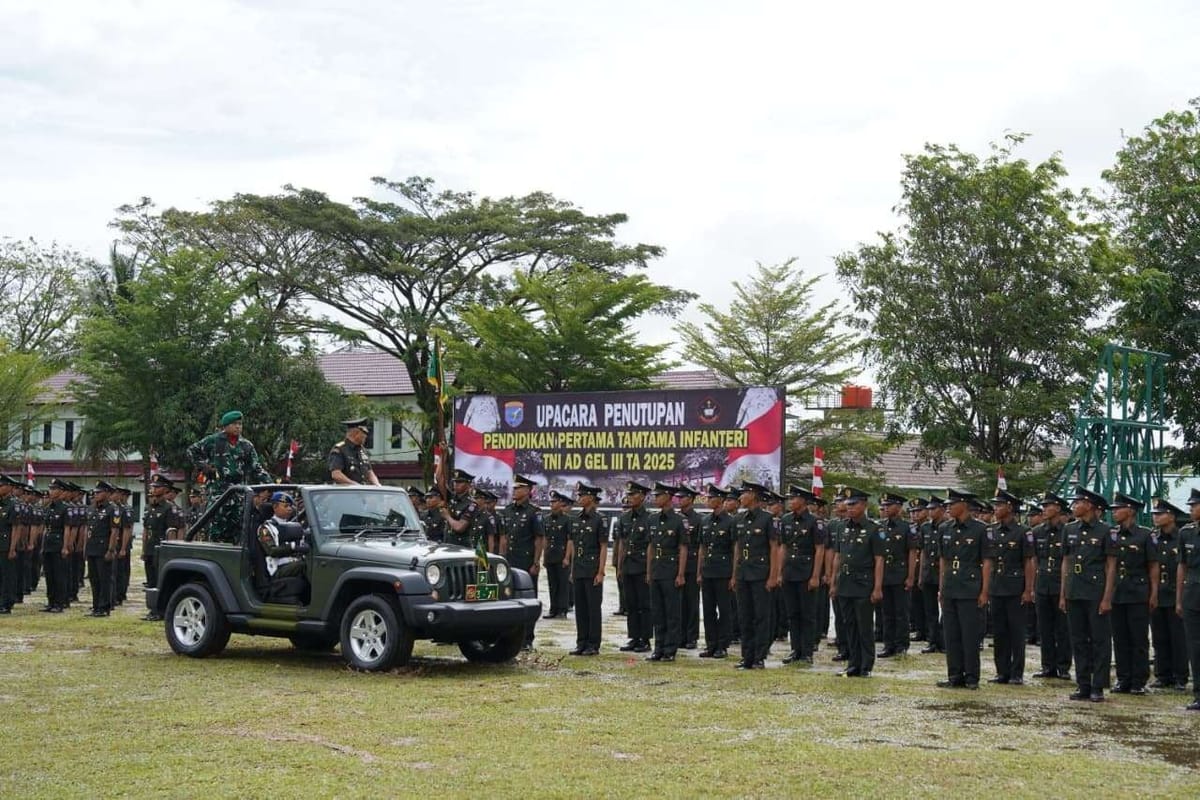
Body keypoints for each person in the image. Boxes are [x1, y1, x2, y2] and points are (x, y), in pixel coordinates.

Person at [1061, 485, 1119, 703]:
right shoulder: (1070, 529)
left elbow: (1110, 566)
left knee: (1100, 640)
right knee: (1078, 640)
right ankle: (1083, 684)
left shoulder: (1106, 531)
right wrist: (1063, 593)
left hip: (1095, 592)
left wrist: (1106, 598)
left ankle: (1098, 686)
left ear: (1090, 506)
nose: (1075, 506)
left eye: (1079, 502)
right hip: (1075, 590)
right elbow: (1065, 562)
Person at [186, 411, 272, 543]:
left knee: (240, 532)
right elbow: (192, 451)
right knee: (216, 530)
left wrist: (270, 485)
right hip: (218, 493)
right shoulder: (214, 441)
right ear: (225, 426)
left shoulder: (246, 445)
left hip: (239, 494)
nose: (238, 427)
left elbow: (256, 468)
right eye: (234, 424)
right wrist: (205, 467)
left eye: (240, 424)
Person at [937, 489, 993, 690]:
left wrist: (984, 591)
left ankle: (971, 677)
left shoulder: (980, 529)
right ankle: (954, 675)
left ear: (964, 505)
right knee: (951, 634)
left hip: (970, 587)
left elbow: (986, 561)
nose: (948, 507)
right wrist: (942, 588)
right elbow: (943, 560)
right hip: (951, 586)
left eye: (952, 504)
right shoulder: (945, 528)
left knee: (969, 634)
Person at [829, 486, 883, 678]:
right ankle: (853, 663)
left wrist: (877, 587)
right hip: (845, 582)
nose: (850, 507)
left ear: (864, 505)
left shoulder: (874, 529)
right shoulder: (842, 527)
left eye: (854, 504)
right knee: (849, 625)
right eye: (848, 504)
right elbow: (837, 555)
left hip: (863, 584)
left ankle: (866, 665)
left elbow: (878, 560)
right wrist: (834, 582)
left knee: (864, 626)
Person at [1109, 492, 1157, 696]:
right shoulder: (1112, 534)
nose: (1114, 512)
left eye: (1118, 509)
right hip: (1117, 591)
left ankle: (1138, 680)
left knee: (1138, 638)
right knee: (1120, 638)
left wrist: (1153, 593)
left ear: (1130, 510)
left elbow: (1153, 566)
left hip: (1137, 591)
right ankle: (1123, 678)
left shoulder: (1145, 535)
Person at [985, 490, 1035, 685]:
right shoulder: (992, 531)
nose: (995, 508)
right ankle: (1001, 671)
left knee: (1016, 632)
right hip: (997, 585)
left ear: (1010, 507)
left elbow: (1028, 562)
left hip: (1015, 587)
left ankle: (1016, 672)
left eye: (999, 505)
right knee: (999, 632)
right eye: (995, 505)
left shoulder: (1023, 532)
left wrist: (1028, 589)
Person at [732, 481, 782, 670]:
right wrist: (735, 574)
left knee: (761, 616)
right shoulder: (740, 518)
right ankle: (747, 655)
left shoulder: (768, 519)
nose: (740, 498)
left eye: (743, 494)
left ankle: (759, 656)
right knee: (745, 616)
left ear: (753, 495)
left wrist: (773, 575)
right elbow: (737, 547)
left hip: (761, 573)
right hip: (744, 572)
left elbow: (774, 548)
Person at [778, 485, 827, 665]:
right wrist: (779, 572)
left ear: (803, 501)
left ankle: (807, 651)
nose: (791, 502)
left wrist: (815, 575)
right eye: (790, 499)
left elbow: (819, 549)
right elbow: (783, 547)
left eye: (794, 499)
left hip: (806, 572)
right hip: (790, 571)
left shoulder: (815, 522)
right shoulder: (786, 519)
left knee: (807, 614)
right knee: (792, 613)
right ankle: (795, 649)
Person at [1031, 492, 1072, 680]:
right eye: (1043, 506)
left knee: (1062, 628)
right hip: (1043, 584)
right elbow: (1034, 560)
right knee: (1044, 628)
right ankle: (1047, 665)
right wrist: (1033, 586)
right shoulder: (1038, 531)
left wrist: (1065, 590)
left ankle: (1063, 666)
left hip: (1059, 583)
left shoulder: (1067, 531)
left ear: (1057, 508)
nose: (1044, 509)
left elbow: (1067, 560)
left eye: (1048, 506)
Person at [645, 483, 687, 662]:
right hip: (656, 568)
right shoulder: (652, 519)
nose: (656, 499)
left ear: (668, 497)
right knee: (657, 611)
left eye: (659, 495)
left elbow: (683, 548)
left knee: (672, 611)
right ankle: (658, 647)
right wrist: (648, 571)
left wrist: (681, 573)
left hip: (671, 568)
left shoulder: (678, 520)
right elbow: (651, 547)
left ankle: (670, 649)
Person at [1150, 497, 1188, 690]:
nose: (1156, 517)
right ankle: (1163, 674)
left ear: (1171, 516)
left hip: (1175, 592)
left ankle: (1180, 676)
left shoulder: (1181, 536)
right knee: (1159, 636)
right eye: (1155, 514)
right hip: (1158, 593)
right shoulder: (1153, 538)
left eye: (1160, 514)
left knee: (1178, 637)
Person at [502, 475, 544, 650]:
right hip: (509, 561)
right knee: (508, 598)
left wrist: (536, 562)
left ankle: (527, 639)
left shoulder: (534, 512)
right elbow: (504, 537)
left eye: (518, 488)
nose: (515, 491)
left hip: (526, 562)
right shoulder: (508, 510)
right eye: (514, 488)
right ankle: (510, 637)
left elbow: (539, 539)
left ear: (527, 491)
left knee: (527, 599)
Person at [877, 492, 919, 658]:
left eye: (889, 505)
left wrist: (910, 576)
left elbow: (912, 553)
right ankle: (888, 644)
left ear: (899, 507)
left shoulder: (908, 527)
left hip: (900, 573)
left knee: (901, 612)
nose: (885, 508)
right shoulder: (881, 526)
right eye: (884, 506)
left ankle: (901, 644)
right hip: (885, 573)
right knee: (886, 612)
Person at [566, 483, 606, 656]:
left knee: (593, 608)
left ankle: (593, 643)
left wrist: (601, 571)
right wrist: (573, 569)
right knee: (580, 607)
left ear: (590, 497)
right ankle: (581, 641)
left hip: (592, 568)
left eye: (582, 496)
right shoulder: (576, 518)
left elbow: (603, 547)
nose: (579, 498)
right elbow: (574, 545)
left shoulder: (599, 519)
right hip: (580, 568)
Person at [697, 485, 735, 658]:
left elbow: (735, 549)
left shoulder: (730, 521)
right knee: (708, 609)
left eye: (711, 498)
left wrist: (734, 575)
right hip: (708, 570)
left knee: (724, 610)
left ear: (720, 500)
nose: (708, 501)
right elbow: (702, 548)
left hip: (724, 571)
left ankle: (722, 645)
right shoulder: (704, 521)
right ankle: (711, 644)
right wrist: (699, 571)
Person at [616, 482, 652, 653]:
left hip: (642, 566)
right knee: (630, 604)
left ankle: (645, 639)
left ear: (643, 497)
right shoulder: (625, 518)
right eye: (628, 495)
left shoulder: (650, 518)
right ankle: (634, 637)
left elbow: (651, 545)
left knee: (644, 605)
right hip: (629, 565)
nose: (630, 498)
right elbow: (622, 543)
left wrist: (649, 570)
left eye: (633, 495)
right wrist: (620, 566)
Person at [256, 492, 309, 603]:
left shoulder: (294, 525)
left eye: (290, 506)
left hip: (293, 563)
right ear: (275, 507)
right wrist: (293, 547)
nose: (289, 509)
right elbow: (272, 551)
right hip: (277, 567)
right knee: (305, 566)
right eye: (285, 506)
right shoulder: (266, 528)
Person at [1176, 488, 1200, 710]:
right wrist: (1179, 599)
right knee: (1195, 645)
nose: (1191, 509)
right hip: (1193, 593)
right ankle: (1199, 694)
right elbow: (1181, 566)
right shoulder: (1187, 533)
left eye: (1194, 506)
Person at [83, 481, 122, 617]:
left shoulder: (112, 509)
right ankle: (96, 606)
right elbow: (88, 530)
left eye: (99, 492)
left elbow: (114, 531)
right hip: (92, 548)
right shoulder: (92, 508)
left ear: (107, 493)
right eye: (95, 492)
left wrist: (111, 550)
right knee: (94, 579)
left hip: (104, 548)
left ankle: (104, 607)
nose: (96, 494)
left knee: (104, 578)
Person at [674, 485, 704, 650]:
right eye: (679, 498)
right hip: (677, 564)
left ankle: (691, 637)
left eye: (683, 498)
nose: (680, 500)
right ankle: (680, 635)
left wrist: (699, 570)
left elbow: (700, 546)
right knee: (678, 603)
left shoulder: (698, 519)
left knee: (691, 602)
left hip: (692, 565)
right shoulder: (677, 518)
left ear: (691, 499)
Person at [919, 496, 946, 654]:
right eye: (929, 509)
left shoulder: (947, 527)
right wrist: (921, 574)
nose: (930, 512)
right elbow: (922, 551)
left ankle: (943, 640)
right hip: (929, 572)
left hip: (943, 573)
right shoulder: (925, 528)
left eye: (933, 509)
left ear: (942, 509)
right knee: (930, 610)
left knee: (945, 608)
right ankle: (932, 640)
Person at [40, 479, 72, 613]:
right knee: (49, 575)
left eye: (54, 489)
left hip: (59, 544)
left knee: (59, 575)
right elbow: (45, 529)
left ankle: (60, 603)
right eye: (50, 488)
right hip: (48, 544)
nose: (51, 491)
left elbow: (67, 529)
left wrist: (65, 546)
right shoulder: (48, 508)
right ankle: (51, 601)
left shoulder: (64, 508)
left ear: (60, 491)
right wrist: (42, 545)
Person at [542, 490, 573, 618]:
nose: (552, 504)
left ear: (561, 503)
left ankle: (562, 610)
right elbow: (545, 538)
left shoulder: (567, 519)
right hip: (550, 556)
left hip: (562, 556)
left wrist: (567, 557)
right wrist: (544, 556)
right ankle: (553, 608)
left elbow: (570, 540)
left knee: (563, 584)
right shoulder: (546, 519)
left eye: (554, 502)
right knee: (552, 584)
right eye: (551, 502)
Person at [328, 418, 380, 486]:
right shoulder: (340, 449)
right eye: (364, 433)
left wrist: (377, 485)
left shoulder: (363, 450)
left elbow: (369, 472)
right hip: (346, 493)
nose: (366, 436)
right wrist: (355, 486)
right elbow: (336, 474)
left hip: (362, 493)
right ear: (356, 433)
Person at [440, 469, 481, 549]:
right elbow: (439, 479)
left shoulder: (471, 504)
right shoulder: (452, 498)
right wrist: (442, 458)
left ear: (468, 485)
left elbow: (459, 527)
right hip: (447, 544)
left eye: (460, 482)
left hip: (462, 548)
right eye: (455, 482)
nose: (456, 484)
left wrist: (447, 516)